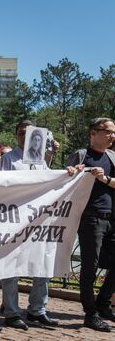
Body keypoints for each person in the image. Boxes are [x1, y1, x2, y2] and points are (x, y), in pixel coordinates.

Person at [0, 120, 61, 330]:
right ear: (16, 135)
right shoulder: (9, 158)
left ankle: (37, 310)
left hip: (39, 221)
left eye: (30, 133)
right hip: (15, 221)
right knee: (12, 269)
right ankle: (11, 312)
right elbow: (1, 189)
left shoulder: (41, 161)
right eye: (21, 133)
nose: (26, 137)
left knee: (42, 266)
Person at [66, 117, 115, 332]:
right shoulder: (81, 155)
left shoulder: (112, 157)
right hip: (90, 218)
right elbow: (63, 181)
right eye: (108, 132)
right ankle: (90, 313)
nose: (112, 136)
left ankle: (103, 303)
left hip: (112, 217)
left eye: (114, 132)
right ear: (93, 133)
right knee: (89, 267)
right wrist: (73, 172)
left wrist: (105, 179)